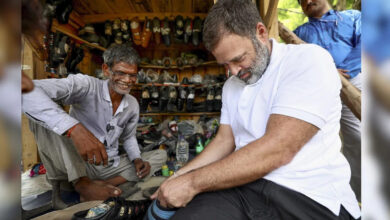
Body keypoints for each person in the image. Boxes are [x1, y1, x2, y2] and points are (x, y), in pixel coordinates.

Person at [150, 0, 360, 219]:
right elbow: (224, 141)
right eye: (225, 65)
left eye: (238, 59)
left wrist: (192, 182)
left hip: (307, 193)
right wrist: (178, 177)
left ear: (260, 32)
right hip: (244, 185)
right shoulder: (232, 85)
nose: (233, 72)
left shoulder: (307, 60)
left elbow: (278, 149)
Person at [22, 44, 167, 208]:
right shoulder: (86, 86)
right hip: (78, 163)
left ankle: (100, 184)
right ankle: (83, 184)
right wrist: (74, 129)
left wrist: (137, 159)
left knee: (160, 156)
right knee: (41, 116)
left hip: (108, 164)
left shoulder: (132, 104)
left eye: (132, 75)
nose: (127, 80)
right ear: (106, 70)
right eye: (121, 73)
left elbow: (128, 137)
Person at [294, 0, 361, 201]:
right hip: (318, 88)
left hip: (356, 81)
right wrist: (326, 72)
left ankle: (361, 194)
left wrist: (343, 72)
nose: (307, 1)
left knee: (359, 139)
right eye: (301, 0)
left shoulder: (352, 17)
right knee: (315, 144)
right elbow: (297, 64)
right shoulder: (299, 32)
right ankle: (323, 197)